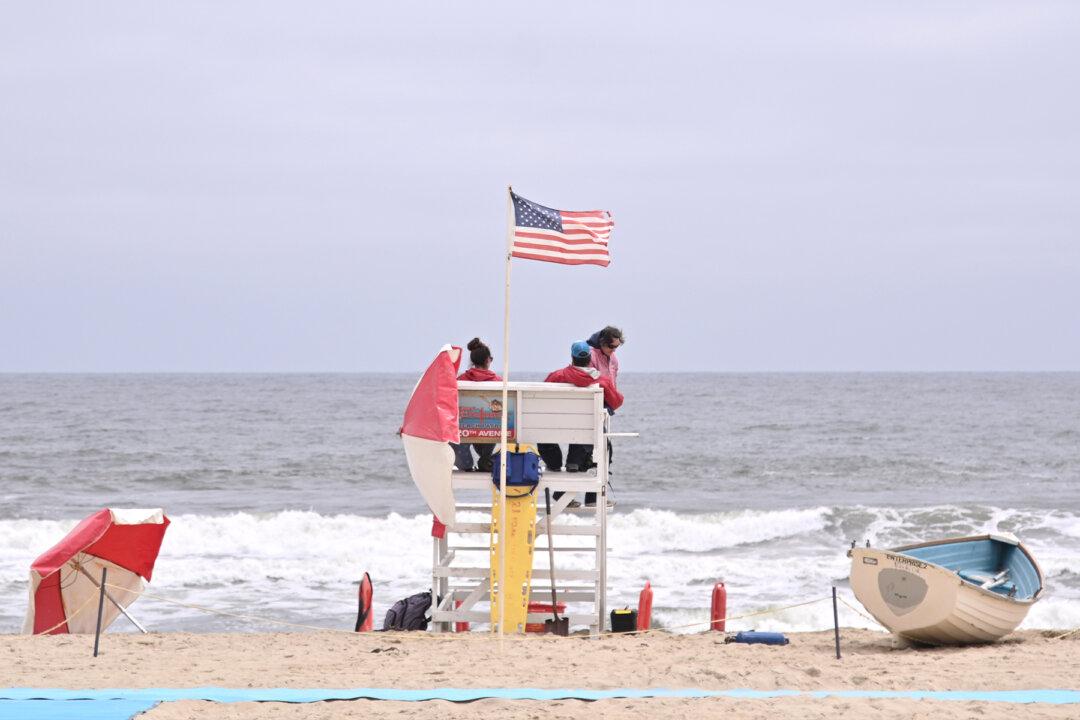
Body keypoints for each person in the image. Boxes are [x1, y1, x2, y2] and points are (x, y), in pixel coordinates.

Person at [538, 341, 624, 489]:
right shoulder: (602, 380)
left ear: (572, 357)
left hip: (555, 428)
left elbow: (542, 399)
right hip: (585, 431)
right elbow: (617, 402)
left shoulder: (556, 376)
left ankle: (555, 463)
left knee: (569, 425)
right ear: (589, 358)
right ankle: (589, 492)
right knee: (599, 439)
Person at [453, 338, 501, 472]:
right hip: (490, 431)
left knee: (470, 423)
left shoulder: (460, 380)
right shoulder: (498, 382)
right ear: (488, 360)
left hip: (466, 429)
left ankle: (467, 464)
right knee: (494, 420)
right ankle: (486, 458)